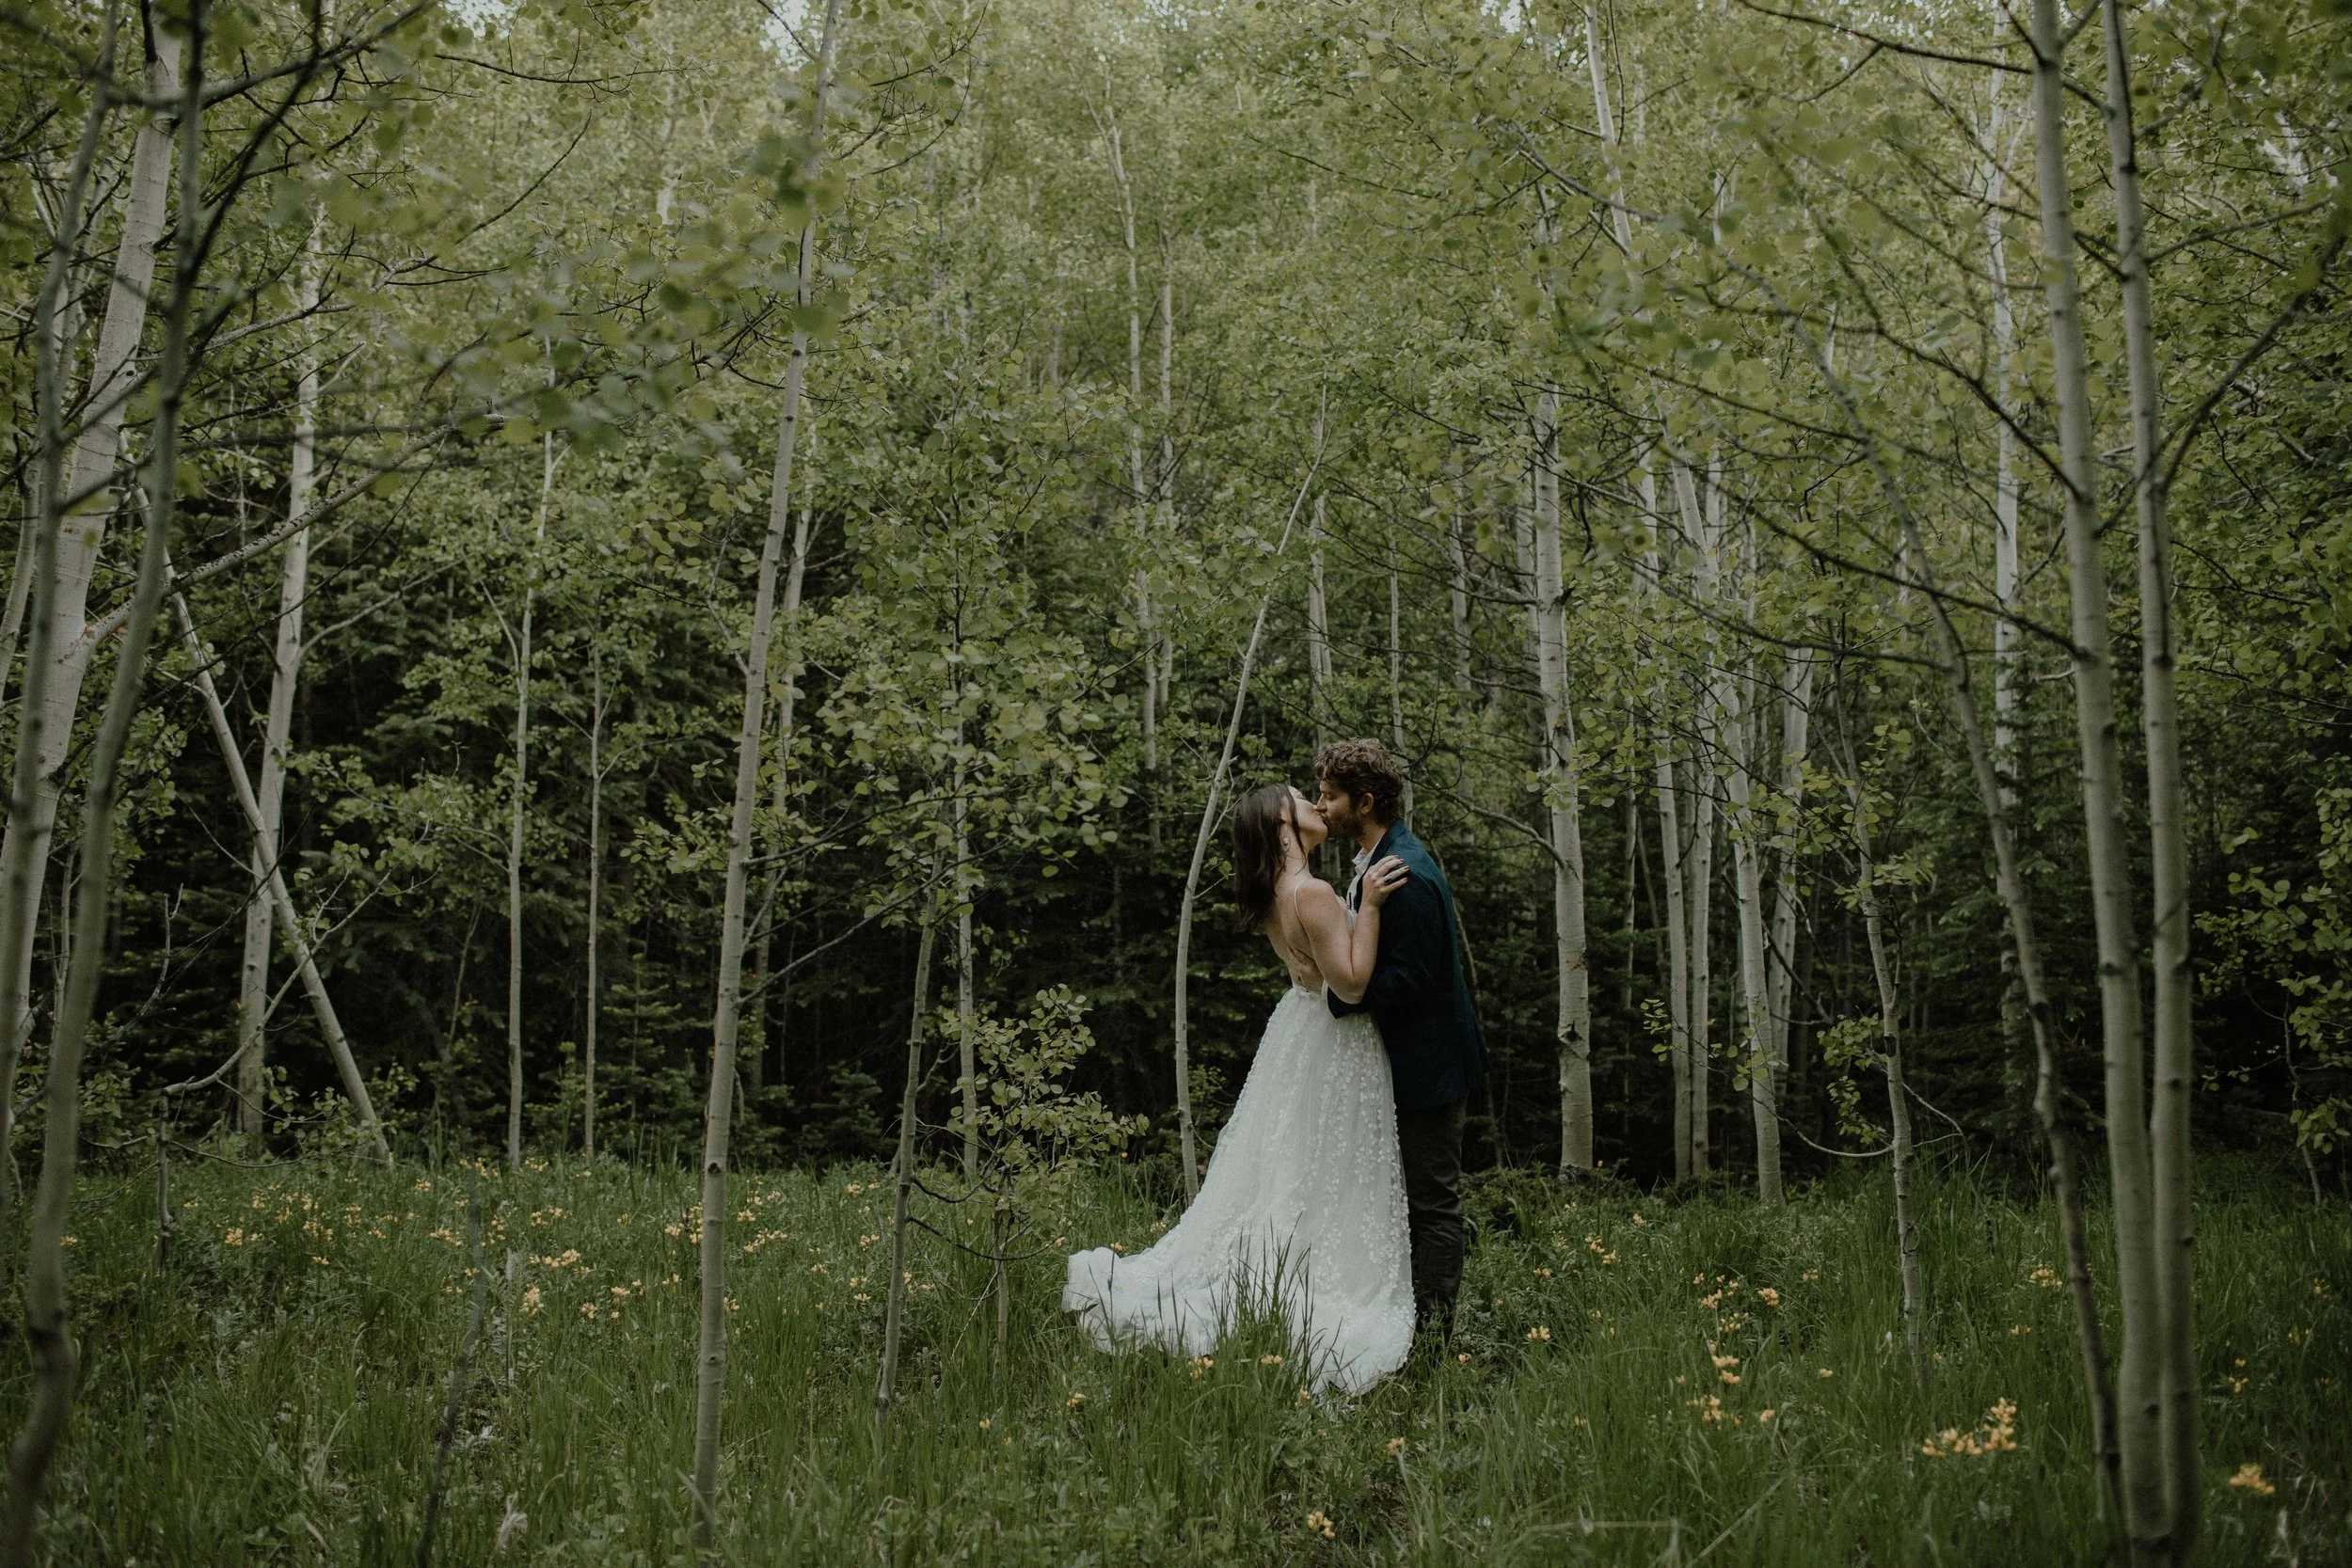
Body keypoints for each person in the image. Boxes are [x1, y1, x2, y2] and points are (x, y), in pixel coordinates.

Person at [1063, 783, 1417, 1392]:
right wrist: (1376, 907)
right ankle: (1317, 1279)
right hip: (1337, 1044)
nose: (1314, 801)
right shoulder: (1314, 893)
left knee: (1298, 1169)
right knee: (1331, 1172)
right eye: (1300, 797)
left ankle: (1290, 1265)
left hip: (1298, 1035)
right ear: (1281, 820)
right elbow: (1352, 986)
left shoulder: (1278, 896)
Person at [1314, 737, 1486, 1339]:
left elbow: (1411, 982)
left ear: (1364, 802)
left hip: (1430, 1067)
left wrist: (1339, 996)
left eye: (1330, 797)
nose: (1321, 806)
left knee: (1433, 1202)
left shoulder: (1405, 875)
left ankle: (1436, 1338)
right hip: (1408, 1061)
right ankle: (1404, 1316)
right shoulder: (1379, 860)